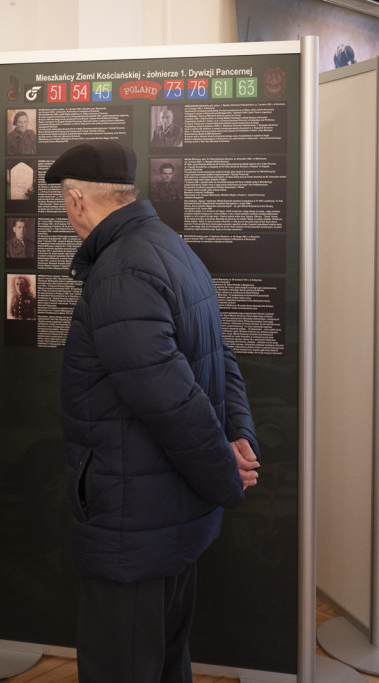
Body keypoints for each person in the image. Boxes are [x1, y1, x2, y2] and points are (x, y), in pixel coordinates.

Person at [45, 140, 260, 682]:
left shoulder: (119, 272)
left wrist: (222, 472)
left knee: (122, 666)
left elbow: (169, 400)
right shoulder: (168, 246)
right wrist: (237, 436)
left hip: (133, 518)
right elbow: (218, 355)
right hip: (168, 509)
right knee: (164, 658)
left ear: (76, 203)